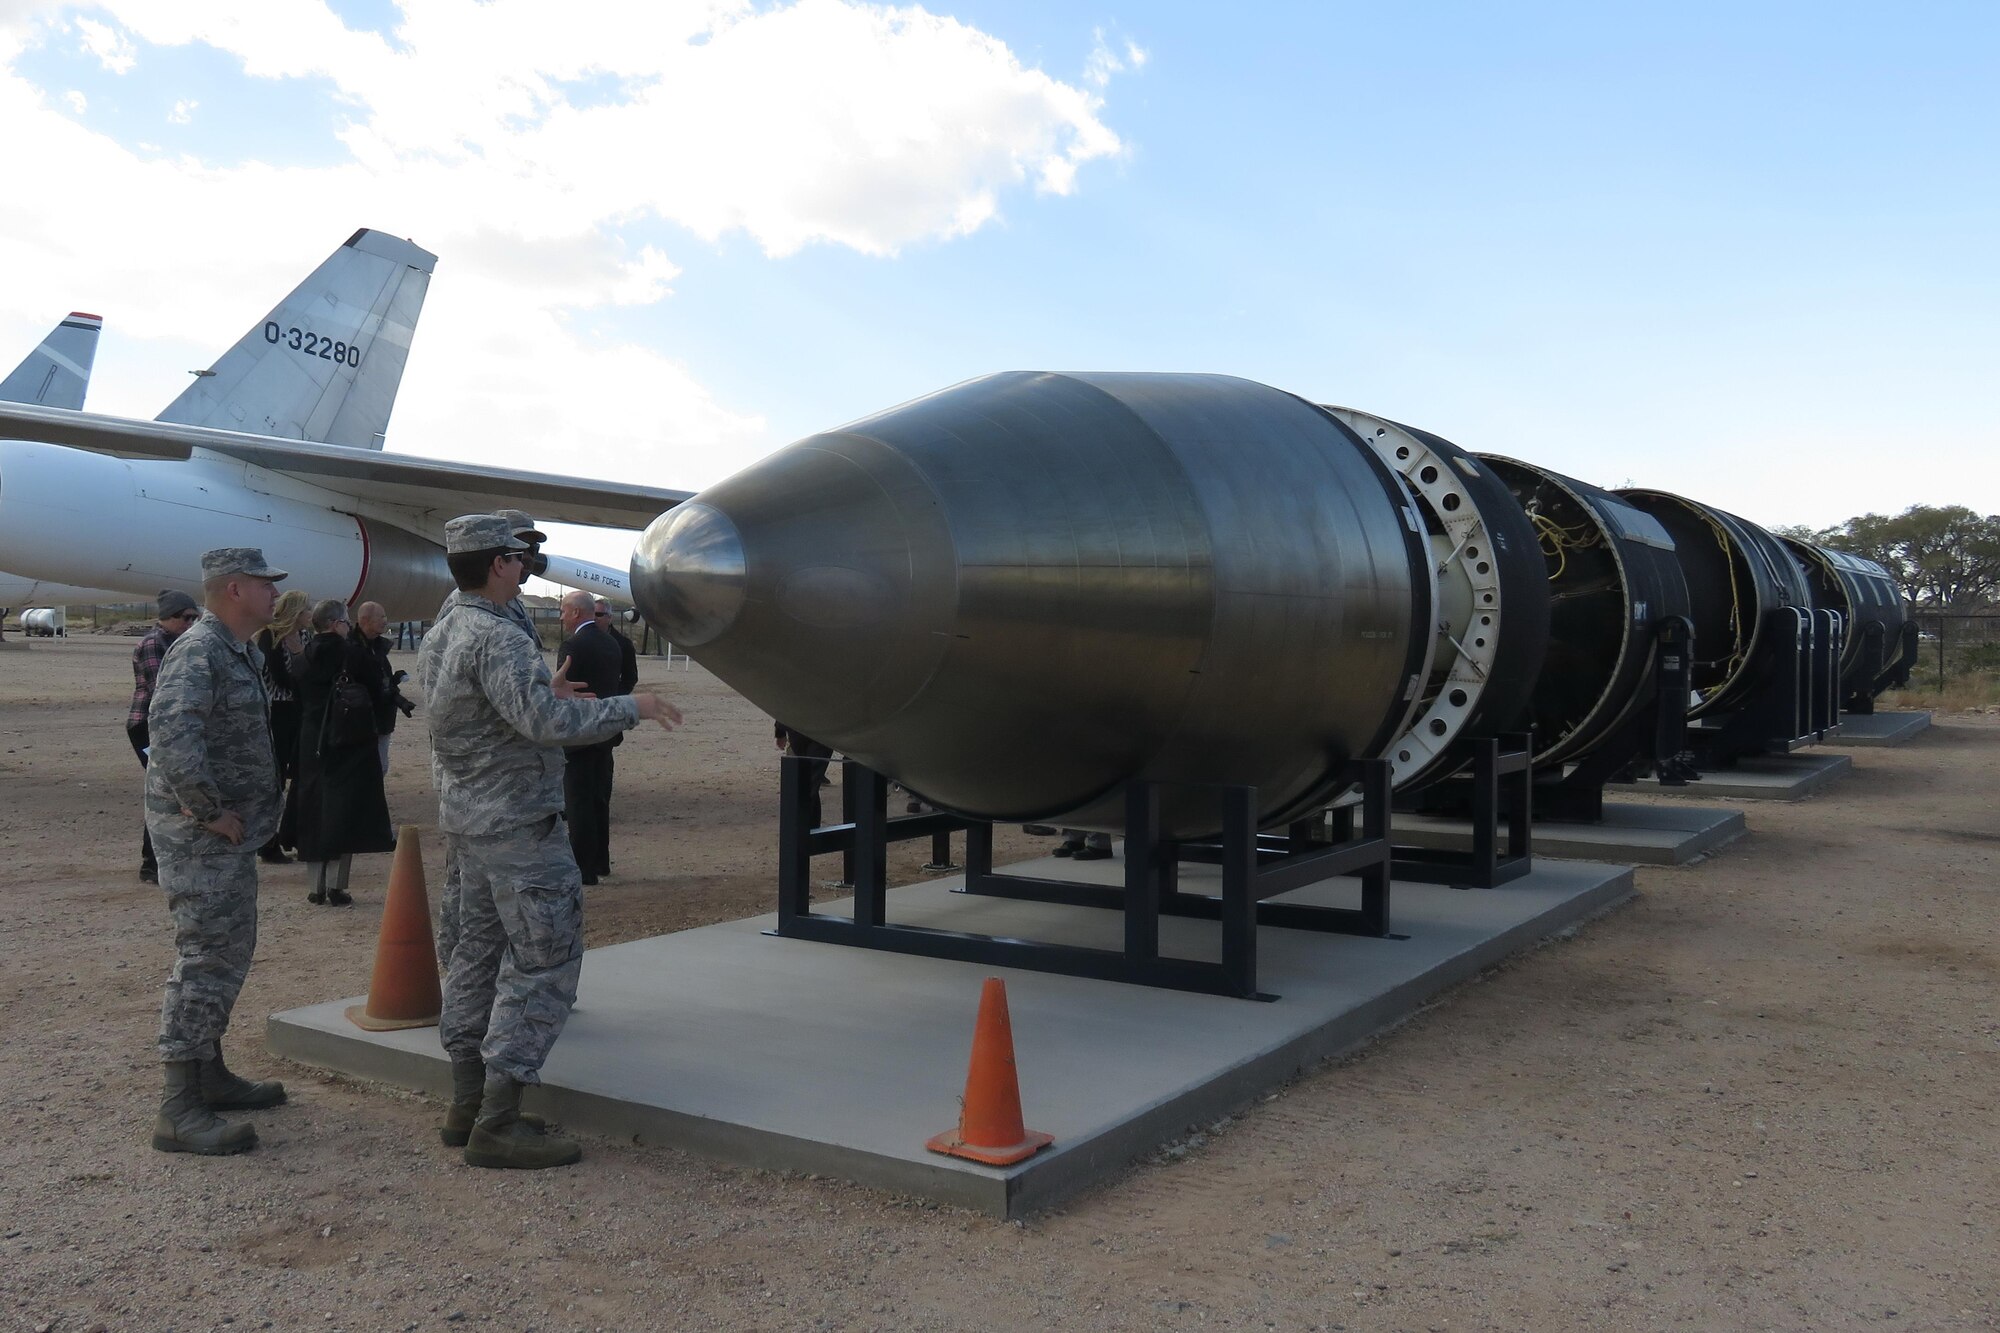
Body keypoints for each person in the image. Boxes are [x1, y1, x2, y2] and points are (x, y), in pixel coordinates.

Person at [417, 513, 683, 1169]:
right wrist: (632, 706)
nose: (529, 563)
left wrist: (543, 690)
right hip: (517, 828)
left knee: (475, 960)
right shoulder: (496, 637)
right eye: (520, 555)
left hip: (472, 826)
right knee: (545, 965)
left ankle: (467, 1104)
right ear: (499, 564)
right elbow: (547, 722)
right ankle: (499, 1121)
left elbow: (483, 711)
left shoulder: (450, 624)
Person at [144, 548, 292, 1156]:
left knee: (228, 949)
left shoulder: (240, 651)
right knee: (207, 954)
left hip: (226, 834)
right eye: (266, 584)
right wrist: (210, 812)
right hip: (202, 836)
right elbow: (173, 735)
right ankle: (178, 1106)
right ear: (234, 588)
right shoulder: (200, 650)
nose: (275, 593)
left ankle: (209, 1074)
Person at [294, 598, 395, 904]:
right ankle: (337, 886)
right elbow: (380, 689)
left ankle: (316, 885)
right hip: (350, 740)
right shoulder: (354, 654)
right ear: (336, 623)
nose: (349, 626)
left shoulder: (303, 656)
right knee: (345, 811)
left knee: (313, 809)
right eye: (346, 621)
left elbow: (295, 691)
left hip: (312, 739)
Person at [127, 590, 202, 884]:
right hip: (147, 725)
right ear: (168, 617)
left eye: (194, 617)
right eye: (185, 617)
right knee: (164, 788)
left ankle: (167, 858)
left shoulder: (179, 641)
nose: (190, 622)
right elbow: (166, 687)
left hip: (169, 725)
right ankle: (151, 863)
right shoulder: (153, 643)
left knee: (172, 789)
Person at [557, 590, 624, 884]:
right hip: (605, 732)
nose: (560, 617)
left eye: (563, 611)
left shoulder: (573, 645)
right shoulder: (611, 643)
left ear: (575, 613)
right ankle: (600, 862)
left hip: (579, 735)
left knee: (578, 803)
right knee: (599, 800)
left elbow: (563, 690)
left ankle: (583, 870)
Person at [256, 589, 310, 865]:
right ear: (296, 612)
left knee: (301, 775)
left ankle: (294, 834)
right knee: (274, 778)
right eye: (306, 609)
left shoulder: (304, 637)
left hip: (298, 710)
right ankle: (267, 841)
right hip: (278, 712)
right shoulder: (271, 637)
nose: (310, 614)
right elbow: (280, 677)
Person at [353, 601, 416, 774]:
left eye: (385, 616)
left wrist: (396, 689)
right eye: (380, 617)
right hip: (362, 722)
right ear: (365, 620)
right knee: (368, 768)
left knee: (381, 766)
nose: (385, 621)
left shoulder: (377, 647)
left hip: (382, 720)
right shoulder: (353, 650)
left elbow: (382, 682)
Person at [773, 721, 835, 828]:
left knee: (809, 782)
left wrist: (780, 731)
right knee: (809, 783)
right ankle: (806, 830)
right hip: (821, 729)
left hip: (800, 728)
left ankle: (807, 829)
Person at [595, 599, 639, 696]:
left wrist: (614, 696)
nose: (594, 618)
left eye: (598, 614)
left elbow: (630, 678)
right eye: (591, 614)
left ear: (609, 618)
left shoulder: (624, 644)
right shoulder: (580, 640)